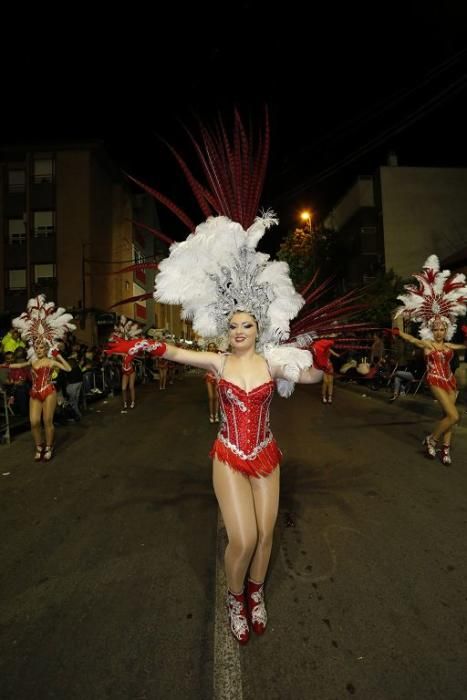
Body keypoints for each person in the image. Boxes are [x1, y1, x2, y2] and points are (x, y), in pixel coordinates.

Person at [108, 111, 366, 645]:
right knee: (242, 535)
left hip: (267, 454)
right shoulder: (220, 362)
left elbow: (312, 377)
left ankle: (255, 593)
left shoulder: (274, 358)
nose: (243, 330)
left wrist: (318, 356)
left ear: (259, 326)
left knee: (267, 535)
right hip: (229, 455)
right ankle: (234, 598)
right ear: (226, 328)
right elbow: (177, 352)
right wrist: (141, 343)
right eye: (235, 324)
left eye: (250, 323)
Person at [393, 254, 467, 465]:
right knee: (454, 416)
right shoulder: (428, 345)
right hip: (435, 379)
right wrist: (398, 326)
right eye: (436, 328)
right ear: (431, 330)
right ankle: (431, 439)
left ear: (447, 329)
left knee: (448, 417)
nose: (439, 331)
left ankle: (445, 450)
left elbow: (464, 346)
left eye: (442, 328)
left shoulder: (450, 345)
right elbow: (409, 338)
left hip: (450, 381)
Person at [6, 294, 74, 461]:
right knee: (34, 422)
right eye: (36, 346)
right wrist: (4, 365)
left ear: (45, 347)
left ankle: (49, 447)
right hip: (35, 392)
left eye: (41, 346)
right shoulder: (32, 361)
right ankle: (39, 446)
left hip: (49, 391)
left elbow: (68, 368)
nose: (38, 348)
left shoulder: (50, 361)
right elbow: (18, 365)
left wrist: (59, 356)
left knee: (47, 421)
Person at [108, 316, 142, 410]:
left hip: (131, 371)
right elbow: (115, 350)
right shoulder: (122, 352)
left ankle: (133, 402)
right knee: (123, 389)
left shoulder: (131, 352)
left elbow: (136, 349)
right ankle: (125, 403)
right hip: (124, 371)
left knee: (131, 387)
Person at [312, 338, 340, 403]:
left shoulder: (329, 349)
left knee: (330, 382)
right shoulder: (319, 349)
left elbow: (335, 354)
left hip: (330, 366)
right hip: (324, 367)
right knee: (325, 382)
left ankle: (329, 397)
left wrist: (336, 355)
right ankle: (324, 397)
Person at [205, 342, 220, 421]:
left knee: (217, 397)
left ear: (215, 348)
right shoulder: (206, 356)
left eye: (213, 347)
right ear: (208, 348)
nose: (211, 348)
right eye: (210, 347)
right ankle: (211, 415)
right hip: (209, 377)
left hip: (217, 378)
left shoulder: (218, 356)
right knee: (211, 397)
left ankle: (216, 414)